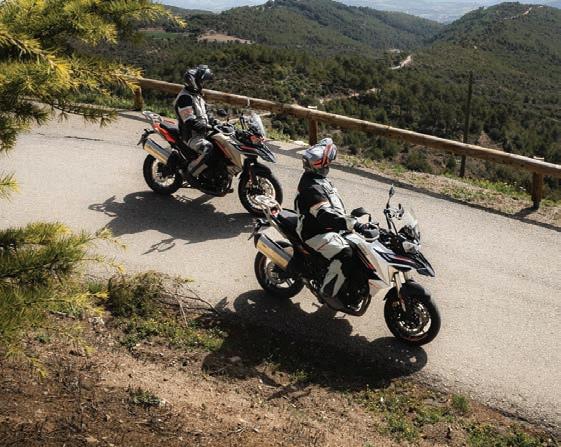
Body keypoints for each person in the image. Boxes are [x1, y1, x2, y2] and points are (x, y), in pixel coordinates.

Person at [295, 138, 371, 307]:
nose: (328, 166)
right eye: (326, 163)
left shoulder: (317, 178)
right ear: (318, 165)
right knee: (346, 254)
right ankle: (327, 291)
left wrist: (352, 219)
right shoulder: (311, 188)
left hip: (328, 227)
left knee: (362, 248)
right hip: (315, 233)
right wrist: (353, 224)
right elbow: (326, 216)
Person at [173, 65, 215, 177]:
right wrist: (207, 127)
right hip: (191, 136)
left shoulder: (197, 96)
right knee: (208, 148)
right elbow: (189, 121)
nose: (203, 84)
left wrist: (216, 122)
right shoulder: (185, 98)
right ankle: (190, 172)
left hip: (202, 133)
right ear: (193, 81)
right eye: (202, 82)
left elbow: (207, 114)